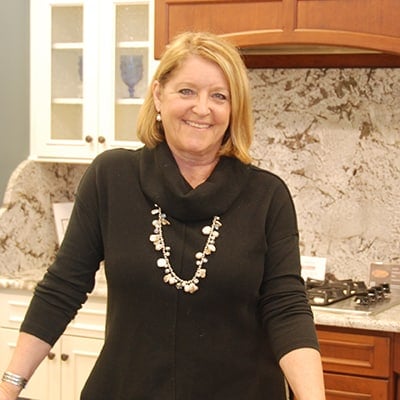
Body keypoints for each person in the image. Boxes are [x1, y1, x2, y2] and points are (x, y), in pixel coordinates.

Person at [0, 31, 325, 400]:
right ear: (158, 95)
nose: (202, 108)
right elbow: (63, 287)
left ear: (234, 109)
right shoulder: (111, 178)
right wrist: (9, 386)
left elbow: (286, 307)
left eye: (219, 96)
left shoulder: (267, 196)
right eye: (187, 91)